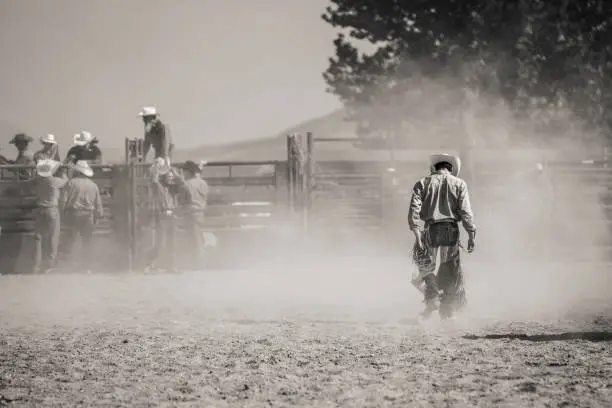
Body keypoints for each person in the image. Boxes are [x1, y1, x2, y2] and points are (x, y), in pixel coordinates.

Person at [408, 153, 477, 320]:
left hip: (430, 229)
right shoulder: (459, 183)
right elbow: (466, 212)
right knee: (450, 269)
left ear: (435, 167)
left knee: (425, 265)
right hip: (450, 228)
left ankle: (432, 297)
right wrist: (471, 234)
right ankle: (446, 311)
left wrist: (417, 232)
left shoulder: (422, 183)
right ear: (451, 168)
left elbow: (414, 210)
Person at [60, 160, 104, 272]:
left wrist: (62, 212)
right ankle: (86, 266)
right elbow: (98, 203)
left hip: (74, 213)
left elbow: (63, 200)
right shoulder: (93, 185)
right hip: (88, 214)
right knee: (87, 241)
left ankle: (68, 265)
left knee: (70, 239)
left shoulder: (71, 183)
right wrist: (99, 215)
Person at [145, 157, 180, 273]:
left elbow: (182, 183)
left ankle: (171, 265)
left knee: (173, 242)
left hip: (171, 216)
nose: (170, 178)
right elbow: (154, 180)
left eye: (171, 177)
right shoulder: (160, 187)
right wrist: (159, 168)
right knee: (161, 243)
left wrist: (170, 169)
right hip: (164, 216)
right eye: (168, 176)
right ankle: (149, 263)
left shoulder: (174, 188)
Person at [32, 159, 68, 273]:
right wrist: (63, 170)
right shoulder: (53, 181)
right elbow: (66, 181)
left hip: (40, 209)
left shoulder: (37, 181)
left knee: (38, 238)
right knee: (53, 237)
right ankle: (49, 265)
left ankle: (36, 265)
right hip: (52, 209)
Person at [175, 160, 213, 270]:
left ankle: (198, 264)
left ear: (188, 172)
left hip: (190, 213)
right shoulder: (203, 183)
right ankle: (200, 263)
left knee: (194, 240)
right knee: (198, 238)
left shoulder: (186, 185)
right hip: (200, 212)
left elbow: (182, 201)